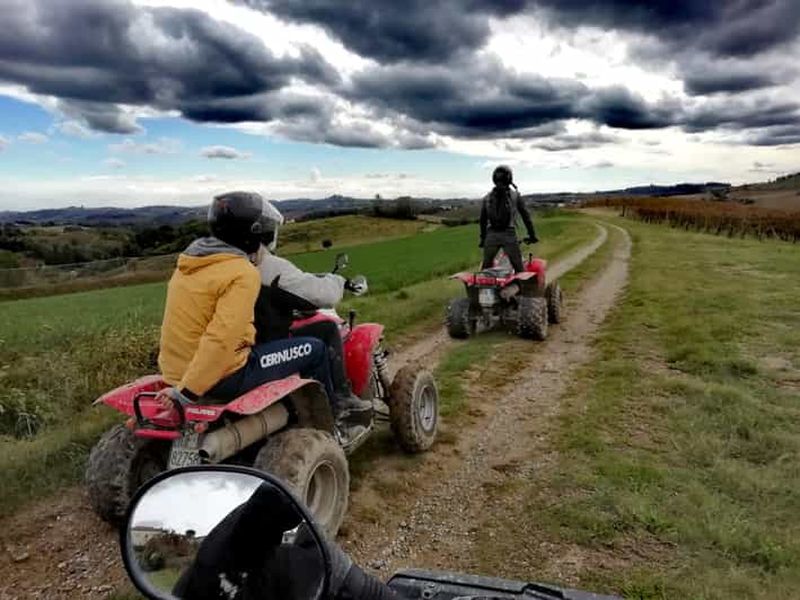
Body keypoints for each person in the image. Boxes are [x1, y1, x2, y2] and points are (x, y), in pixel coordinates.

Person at [155, 191, 363, 431]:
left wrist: (183, 384)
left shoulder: (191, 264)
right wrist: (188, 393)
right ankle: (334, 420)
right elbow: (222, 338)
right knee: (315, 348)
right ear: (255, 232)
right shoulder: (242, 272)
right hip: (220, 376)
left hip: (175, 370)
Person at [248, 200, 371, 429]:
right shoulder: (269, 265)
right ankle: (338, 402)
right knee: (324, 331)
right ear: (265, 231)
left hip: (235, 347)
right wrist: (337, 280)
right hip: (262, 350)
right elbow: (321, 295)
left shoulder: (224, 263)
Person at [479, 165, 538, 273]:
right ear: (510, 178)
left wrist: (483, 239)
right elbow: (526, 217)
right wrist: (532, 235)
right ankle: (523, 289)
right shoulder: (515, 196)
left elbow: (482, 221)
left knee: (486, 268)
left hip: (491, 236)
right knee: (519, 269)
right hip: (509, 235)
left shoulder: (487, 198)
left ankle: (482, 288)